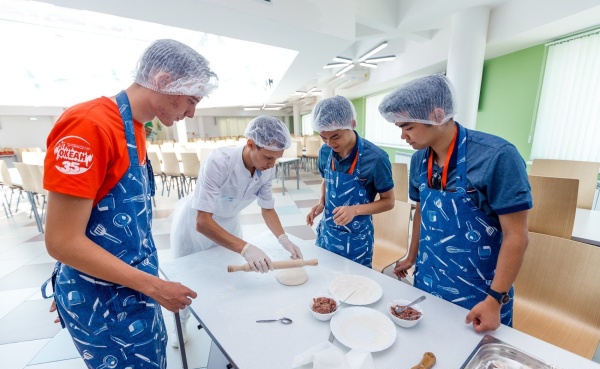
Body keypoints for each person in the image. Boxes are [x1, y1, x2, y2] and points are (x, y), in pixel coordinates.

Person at [40, 39, 218, 369]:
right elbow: (61, 241)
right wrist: (153, 287)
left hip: (129, 290)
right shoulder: (89, 125)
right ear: (164, 81)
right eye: (191, 100)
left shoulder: (135, 129)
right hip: (106, 301)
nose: (191, 113)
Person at [378, 74, 531, 333]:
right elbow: (422, 212)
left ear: (437, 116)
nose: (403, 136)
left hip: (480, 292)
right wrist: (412, 256)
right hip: (428, 279)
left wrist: (495, 299)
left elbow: (516, 235)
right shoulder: (419, 160)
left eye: (408, 127)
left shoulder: (497, 157)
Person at [169, 115, 303, 346]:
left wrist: (284, 239)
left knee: (227, 275)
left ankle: (223, 319)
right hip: (195, 224)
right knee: (189, 278)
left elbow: (267, 209)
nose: (272, 164)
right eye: (268, 157)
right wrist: (246, 248)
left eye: (276, 159)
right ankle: (181, 322)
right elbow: (202, 222)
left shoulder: (266, 170)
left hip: (229, 223)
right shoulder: (219, 162)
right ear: (250, 144)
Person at [306, 96, 395, 268]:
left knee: (355, 282)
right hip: (328, 234)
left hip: (356, 240)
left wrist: (355, 210)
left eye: (335, 136)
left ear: (352, 124)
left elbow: (389, 202)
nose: (330, 143)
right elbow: (326, 180)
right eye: (323, 137)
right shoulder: (325, 152)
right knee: (324, 276)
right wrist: (321, 202)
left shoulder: (376, 158)